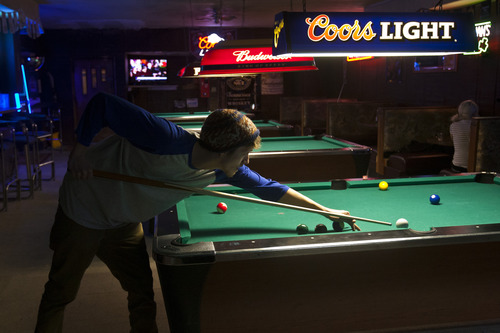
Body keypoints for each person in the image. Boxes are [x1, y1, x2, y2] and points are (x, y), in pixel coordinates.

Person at [35, 93, 358, 332]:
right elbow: (102, 104)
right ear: (225, 151)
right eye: (244, 154)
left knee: (142, 293)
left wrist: (325, 210)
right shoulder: (165, 138)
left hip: (122, 221)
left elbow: (270, 189)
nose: (247, 163)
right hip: (83, 210)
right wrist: (80, 151)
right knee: (60, 293)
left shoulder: (223, 170)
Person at [449, 100, 479, 173]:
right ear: (475, 112)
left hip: (457, 166)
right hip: (475, 167)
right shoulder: (478, 126)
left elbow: (453, 142)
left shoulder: (453, 125)